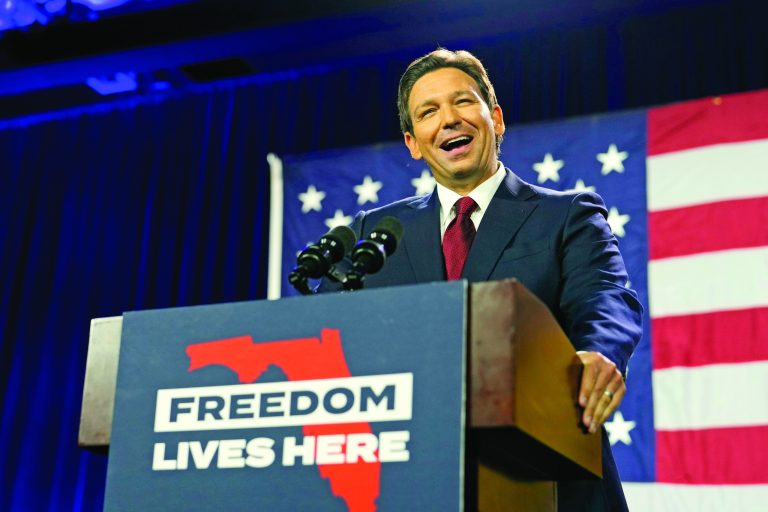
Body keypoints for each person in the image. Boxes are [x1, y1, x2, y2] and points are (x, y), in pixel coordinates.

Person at [336, 48, 642, 511]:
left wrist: (599, 351)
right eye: (428, 112)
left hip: (549, 480)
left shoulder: (566, 215)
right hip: (410, 482)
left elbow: (604, 297)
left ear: (496, 119)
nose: (449, 120)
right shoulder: (377, 234)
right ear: (413, 142)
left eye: (462, 101)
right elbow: (327, 329)